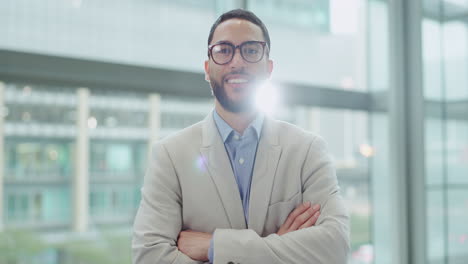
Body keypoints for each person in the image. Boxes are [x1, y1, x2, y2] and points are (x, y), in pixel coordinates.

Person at [132, 9, 349, 264]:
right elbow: (149, 256)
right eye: (224, 50)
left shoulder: (308, 150)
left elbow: (335, 248)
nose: (237, 61)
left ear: (268, 68)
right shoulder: (170, 156)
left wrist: (214, 246)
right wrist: (278, 245)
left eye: (251, 50)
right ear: (207, 68)